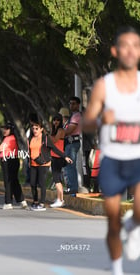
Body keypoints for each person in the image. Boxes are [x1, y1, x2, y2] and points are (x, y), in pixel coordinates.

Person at [83, 26, 140, 275]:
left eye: (135, 45)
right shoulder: (103, 86)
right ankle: (117, 270)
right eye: (125, 45)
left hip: (137, 158)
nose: (130, 50)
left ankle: (135, 225)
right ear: (115, 51)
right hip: (112, 161)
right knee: (113, 223)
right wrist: (100, 121)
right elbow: (85, 123)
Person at [28, 120, 72, 211]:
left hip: (43, 163)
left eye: (37, 129)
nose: (34, 130)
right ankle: (35, 201)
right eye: (33, 129)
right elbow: (30, 151)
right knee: (32, 183)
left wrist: (65, 156)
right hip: (33, 163)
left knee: (42, 183)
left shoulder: (45, 138)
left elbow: (54, 149)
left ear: (41, 129)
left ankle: (42, 203)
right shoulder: (31, 138)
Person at [0, 122, 27, 210]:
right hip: (13, 160)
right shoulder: (13, 138)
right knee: (14, 181)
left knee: (8, 181)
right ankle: (22, 201)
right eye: (4, 128)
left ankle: (8, 202)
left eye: (7, 129)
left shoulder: (9, 138)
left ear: (11, 130)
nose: (4, 130)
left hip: (9, 161)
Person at [63, 96, 82, 194]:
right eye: (70, 103)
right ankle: (71, 187)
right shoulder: (72, 116)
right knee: (68, 166)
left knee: (70, 165)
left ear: (78, 105)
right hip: (69, 143)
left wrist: (60, 134)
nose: (71, 105)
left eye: (73, 103)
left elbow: (70, 130)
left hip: (72, 142)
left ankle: (73, 188)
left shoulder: (76, 116)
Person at [49, 114, 67, 208]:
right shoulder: (55, 130)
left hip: (58, 156)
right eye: (54, 120)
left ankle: (60, 199)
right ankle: (59, 198)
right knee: (57, 179)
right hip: (54, 156)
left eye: (58, 120)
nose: (55, 122)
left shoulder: (60, 130)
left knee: (57, 179)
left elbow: (54, 141)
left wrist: (47, 135)